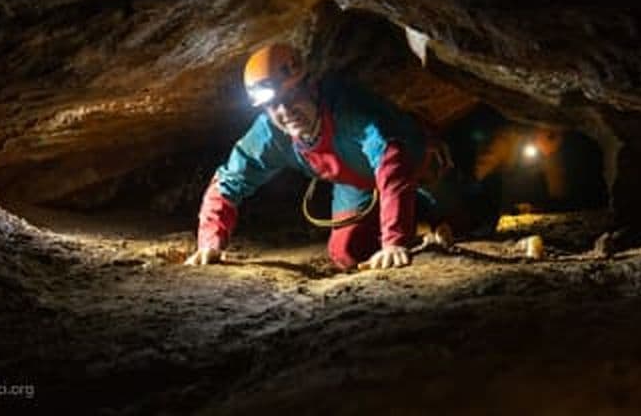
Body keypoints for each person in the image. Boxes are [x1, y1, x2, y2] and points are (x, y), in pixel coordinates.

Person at [184, 43, 466, 270]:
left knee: (468, 220)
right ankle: (414, 221)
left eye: (292, 95)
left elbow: (391, 159)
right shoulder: (271, 134)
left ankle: (427, 210)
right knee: (347, 254)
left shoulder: (348, 109)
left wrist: (395, 241)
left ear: (311, 86)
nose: (285, 111)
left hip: (415, 161)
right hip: (357, 179)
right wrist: (211, 241)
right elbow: (228, 180)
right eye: (273, 105)